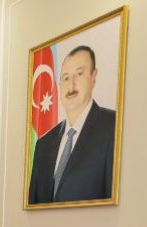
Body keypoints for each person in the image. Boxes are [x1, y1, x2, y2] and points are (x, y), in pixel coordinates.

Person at [28, 45, 116, 204]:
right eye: (66, 78)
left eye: (79, 74)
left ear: (93, 77)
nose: (71, 86)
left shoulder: (113, 127)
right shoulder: (43, 145)